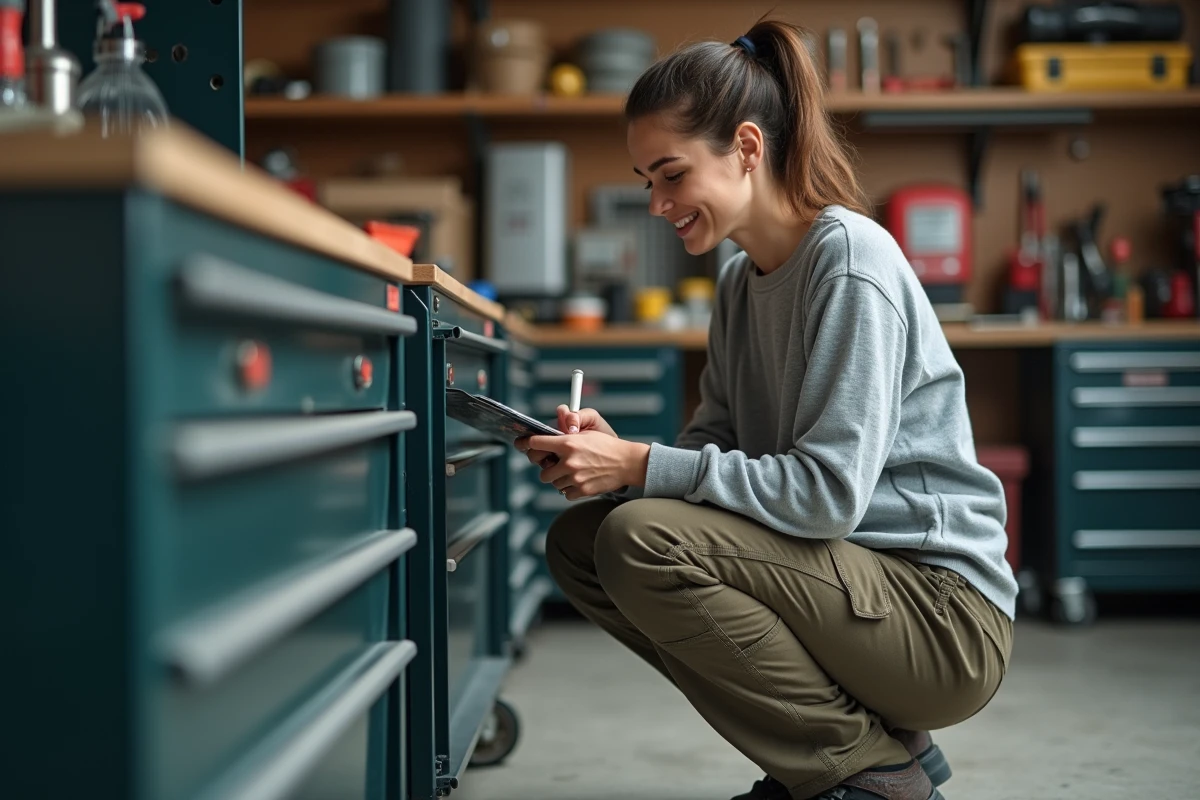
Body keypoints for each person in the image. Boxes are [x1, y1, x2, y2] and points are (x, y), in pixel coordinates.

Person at [515, 17, 1016, 800]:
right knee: (583, 543)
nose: (658, 203)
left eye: (671, 175)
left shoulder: (849, 262)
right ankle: (858, 747)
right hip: (850, 589)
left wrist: (642, 467)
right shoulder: (737, 284)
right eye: (647, 182)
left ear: (747, 148)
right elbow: (713, 449)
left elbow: (826, 497)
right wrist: (618, 461)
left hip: (941, 618)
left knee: (642, 540)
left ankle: (865, 772)